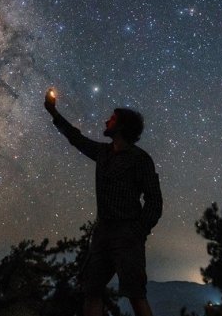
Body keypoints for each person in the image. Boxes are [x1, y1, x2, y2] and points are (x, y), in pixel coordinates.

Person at [45, 89, 163, 316]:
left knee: (136, 294)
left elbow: (154, 201)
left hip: (127, 235)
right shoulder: (103, 153)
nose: (106, 120)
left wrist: (138, 231)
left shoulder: (140, 160)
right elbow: (76, 138)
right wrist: (54, 113)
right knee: (92, 290)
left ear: (121, 127)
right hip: (102, 234)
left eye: (112, 119)